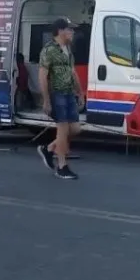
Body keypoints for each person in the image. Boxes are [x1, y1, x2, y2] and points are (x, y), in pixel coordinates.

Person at [37, 18, 85, 179]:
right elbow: (42, 76)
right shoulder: (49, 50)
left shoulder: (68, 49)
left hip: (69, 93)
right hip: (57, 94)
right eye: (69, 29)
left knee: (75, 129)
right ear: (60, 31)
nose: (72, 32)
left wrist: (80, 92)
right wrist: (46, 100)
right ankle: (62, 166)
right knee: (63, 129)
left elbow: (73, 71)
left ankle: (49, 149)